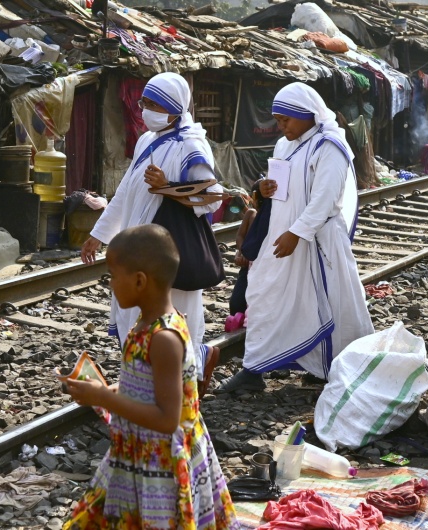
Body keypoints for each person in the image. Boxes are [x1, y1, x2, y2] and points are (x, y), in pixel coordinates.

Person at [63, 225, 240, 529]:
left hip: (161, 461)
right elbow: (151, 384)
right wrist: (119, 389)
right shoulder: (147, 324)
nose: (111, 284)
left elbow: (167, 419)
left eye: (113, 276)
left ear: (140, 281)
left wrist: (104, 397)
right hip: (137, 450)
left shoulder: (163, 338)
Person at [216, 82, 374, 392]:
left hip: (317, 242)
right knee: (264, 296)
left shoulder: (330, 146)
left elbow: (325, 199)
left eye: (285, 120)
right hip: (280, 238)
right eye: (277, 120)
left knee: (331, 305)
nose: (281, 126)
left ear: (308, 114)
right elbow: (281, 186)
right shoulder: (284, 145)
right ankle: (254, 369)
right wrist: (262, 188)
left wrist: (297, 233)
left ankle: (331, 367)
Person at [80, 72, 222, 395]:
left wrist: (167, 188)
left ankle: (179, 383)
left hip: (171, 256)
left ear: (173, 108)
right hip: (139, 250)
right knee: (138, 318)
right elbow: (125, 192)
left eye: (153, 104)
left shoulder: (192, 145)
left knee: (172, 326)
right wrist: (99, 234)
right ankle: (143, 385)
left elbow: (210, 197)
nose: (145, 110)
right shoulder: (148, 139)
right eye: (144, 102)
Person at [229, 182, 262, 317]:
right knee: (237, 303)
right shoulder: (251, 214)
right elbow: (240, 235)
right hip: (247, 264)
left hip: (262, 266)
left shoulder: (276, 217)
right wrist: (242, 251)